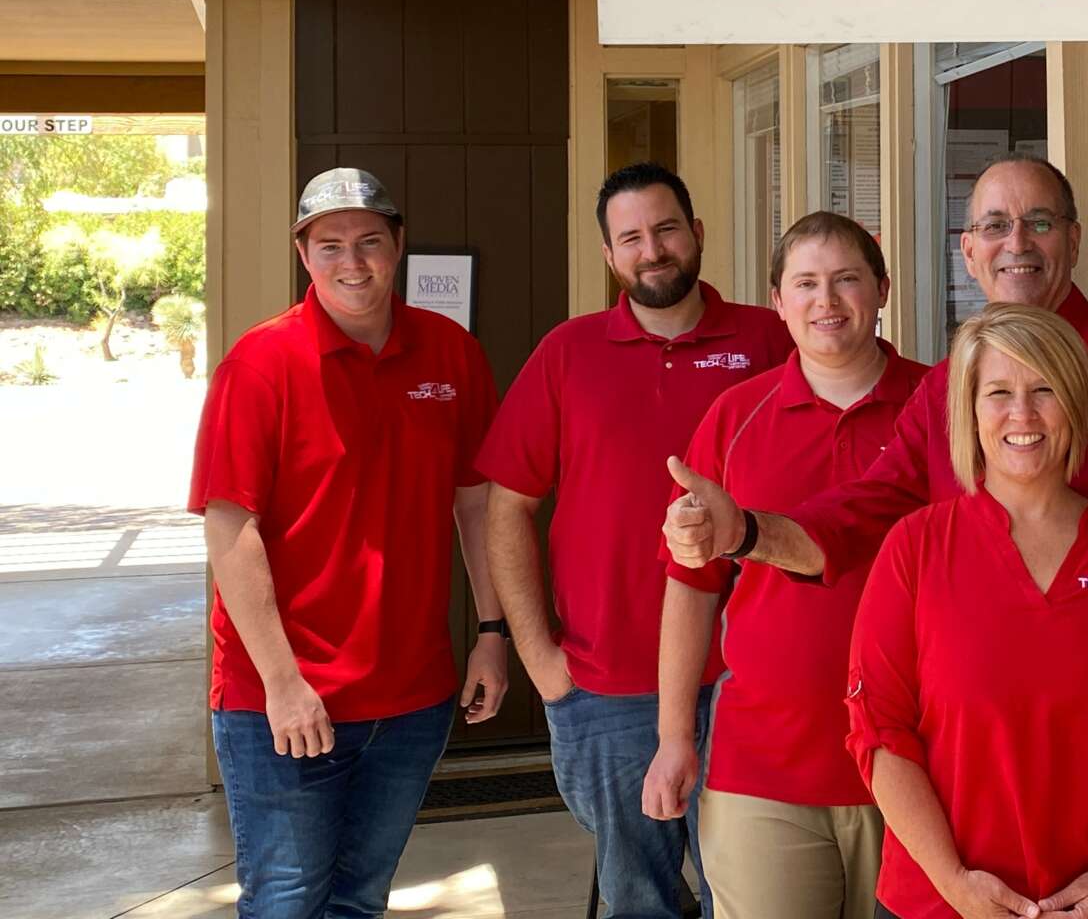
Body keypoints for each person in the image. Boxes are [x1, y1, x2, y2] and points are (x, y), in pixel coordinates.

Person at [662, 156, 1088, 584]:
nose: (1017, 242)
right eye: (995, 226)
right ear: (968, 252)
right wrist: (747, 533)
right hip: (981, 674)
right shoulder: (945, 387)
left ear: (1074, 239)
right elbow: (861, 514)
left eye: (1039, 222)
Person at [188, 167, 508, 919]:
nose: (352, 262)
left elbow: (476, 503)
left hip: (412, 698)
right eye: (329, 245)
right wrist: (283, 683)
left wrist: (493, 632)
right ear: (304, 254)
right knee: (286, 902)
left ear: (398, 245)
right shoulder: (260, 365)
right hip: (282, 699)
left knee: (361, 899)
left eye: (369, 241)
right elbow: (230, 527)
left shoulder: (452, 354)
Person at [481, 162, 792, 919]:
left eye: (666, 229)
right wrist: (541, 660)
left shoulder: (770, 339)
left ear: (697, 234)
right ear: (609, 255)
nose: (652, 250)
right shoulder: (568, 353)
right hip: (605, 688)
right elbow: (507, 507)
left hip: (750, 679)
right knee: (638, 902)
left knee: (750, 897)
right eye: (631, 238)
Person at [643, 212, 930, 919]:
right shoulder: (736, 415)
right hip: (764, 767)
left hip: (922, 763)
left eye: (846, 280)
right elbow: (690, 586)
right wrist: (674, 739)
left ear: (883, 288)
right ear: (777, 301)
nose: (825, 301)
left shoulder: (940, 407)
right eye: (805, 284)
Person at [847, 304, 1088, 919]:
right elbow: (879, 735)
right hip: (937, 902)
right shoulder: (916, 547)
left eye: (1044, 389)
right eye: (998, 392)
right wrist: (955, 884)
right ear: (969, 413)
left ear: (1076, 403)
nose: (1022, 414)